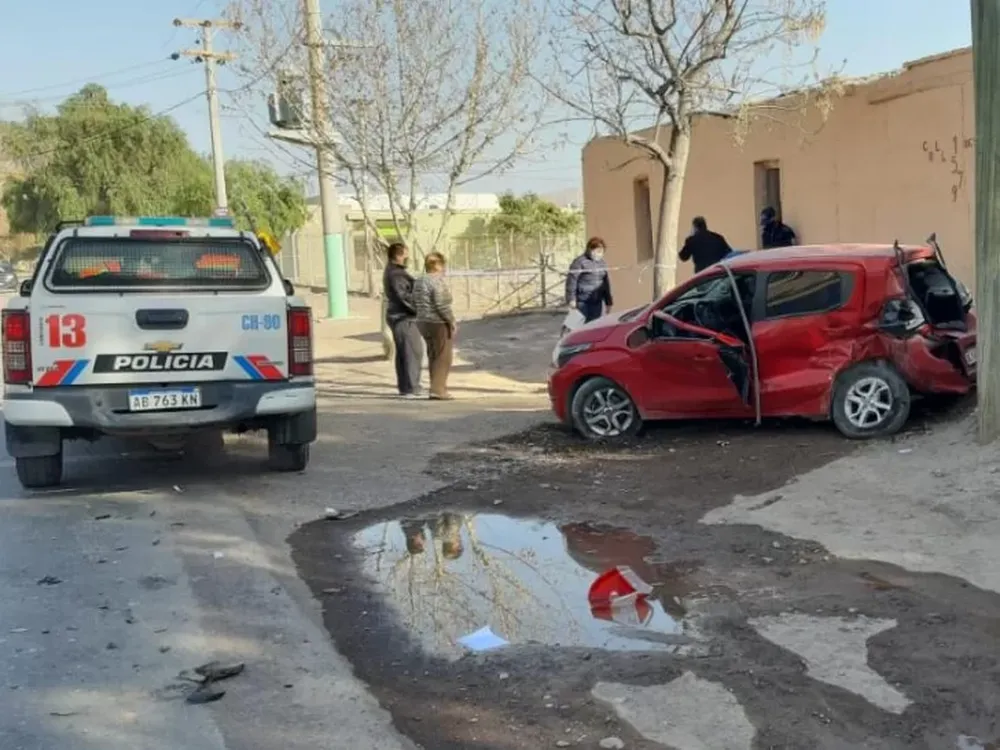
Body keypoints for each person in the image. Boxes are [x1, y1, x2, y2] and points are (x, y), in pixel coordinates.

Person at [382, 242, 424, 399]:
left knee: (405, 352)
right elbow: (404, 297)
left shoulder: (393, 271)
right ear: (399, 255)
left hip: (398, 315)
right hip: (403, 316)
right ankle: (412, 387)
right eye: (406, 254)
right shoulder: (396, 274)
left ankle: (406, 386)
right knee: (412, 351)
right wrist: (419, 308)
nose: (408, 257)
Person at [414, 252, 456, 400]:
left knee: (433, 355)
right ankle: (438, 389)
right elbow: (441, 304)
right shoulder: (436, 281)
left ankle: (435, 387)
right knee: (443, 356)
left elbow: (414, 300)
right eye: (443, 265)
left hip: (422, 321)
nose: (444, 269)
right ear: (438, 265)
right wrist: (451, 320)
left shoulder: (419, 281)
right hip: (437, 322)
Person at [566, 237, 613, 323]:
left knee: (593, 326)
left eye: (601, 252)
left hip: (596, 302)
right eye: (597, 251)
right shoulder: (579, 262)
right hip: (582, 302)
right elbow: (571, 281)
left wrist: (608, 302)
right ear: (590, 249)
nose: (599, 254)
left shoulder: (602, 263)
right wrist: (571, 299)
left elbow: (606, 284)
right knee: (577, 326)